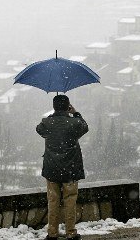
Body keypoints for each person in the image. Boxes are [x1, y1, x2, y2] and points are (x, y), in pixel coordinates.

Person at [36, 95, 88, 240]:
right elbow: (85, 127)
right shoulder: (74, 123)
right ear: (68, 107)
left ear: (54, 106)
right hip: (70, 169)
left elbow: (39, 129)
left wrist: (53, 116)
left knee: (53, 201)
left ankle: (52, 233)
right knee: (70, 201)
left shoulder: (47, 122)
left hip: (52, 169)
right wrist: (75, 113)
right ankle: (71, 233)